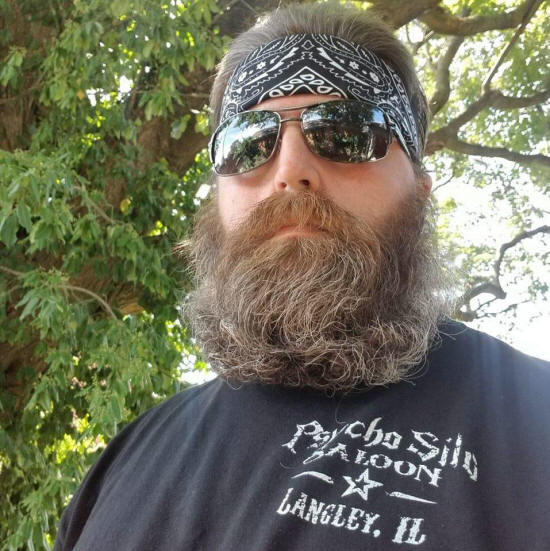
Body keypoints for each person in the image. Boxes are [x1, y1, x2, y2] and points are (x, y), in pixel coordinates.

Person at [55, 3, 550, 550]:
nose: (290, 171)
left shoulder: (535, 421)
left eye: (345, 131)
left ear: (420, 189)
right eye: (248, 142)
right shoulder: (126, 459)